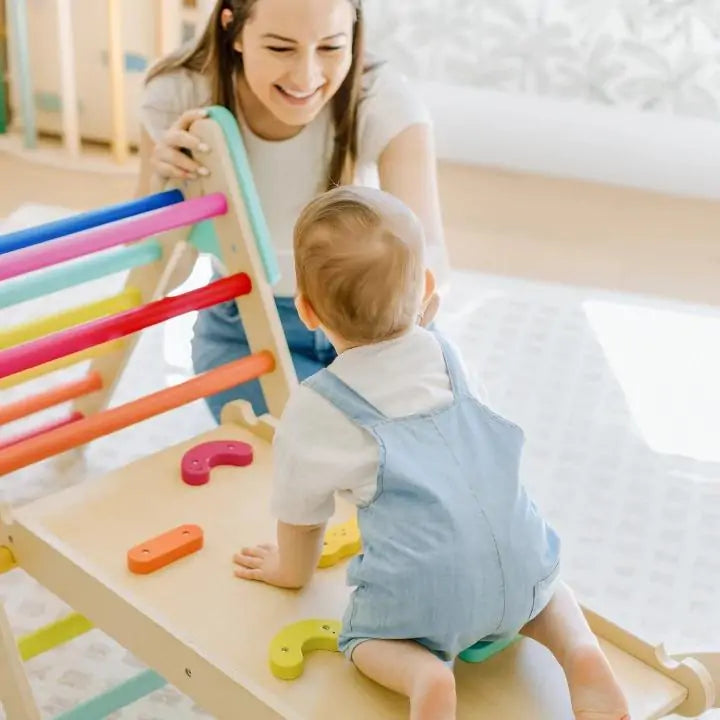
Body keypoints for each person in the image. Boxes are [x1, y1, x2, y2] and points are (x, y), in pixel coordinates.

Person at [233, 186, 631, 720]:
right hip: (524, 568)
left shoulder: (317, 408)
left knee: (362, 641)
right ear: (425, 289)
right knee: (550, 590)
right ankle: (579, 653)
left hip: (427, 602)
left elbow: (302, 518)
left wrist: (290, 570)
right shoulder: (449, 356)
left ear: (305, 310)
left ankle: (426, 676)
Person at [137, 0, 450, 421]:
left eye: (331, 47)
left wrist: (389, 351)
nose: (306, 77)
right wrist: (167, 191)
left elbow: (430, 266)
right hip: (246, 326)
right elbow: (158, 279)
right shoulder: (179, 94)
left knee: (424, 446)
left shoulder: (383, 98)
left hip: (379, 320)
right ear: (234, 29)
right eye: (281, 48)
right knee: (323, 448)